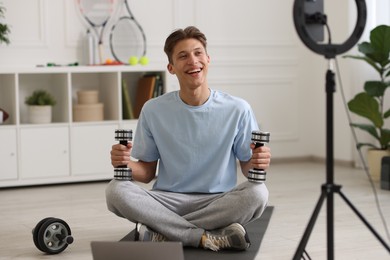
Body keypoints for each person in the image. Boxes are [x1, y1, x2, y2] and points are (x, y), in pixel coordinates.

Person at [106, 26, 271, 252]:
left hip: (216, 202)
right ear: (171, 68)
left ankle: (165, 231)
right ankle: (205, 236)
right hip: (167, 201)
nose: (193, 61)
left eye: (198, 53)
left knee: (258, 192)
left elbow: (247, 167)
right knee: (116, 190)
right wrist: (124, 162)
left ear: (208, 59)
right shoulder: (153, 109)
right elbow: (146, 173)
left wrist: (259, 160)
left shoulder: (238, 109)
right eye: (183, 56)